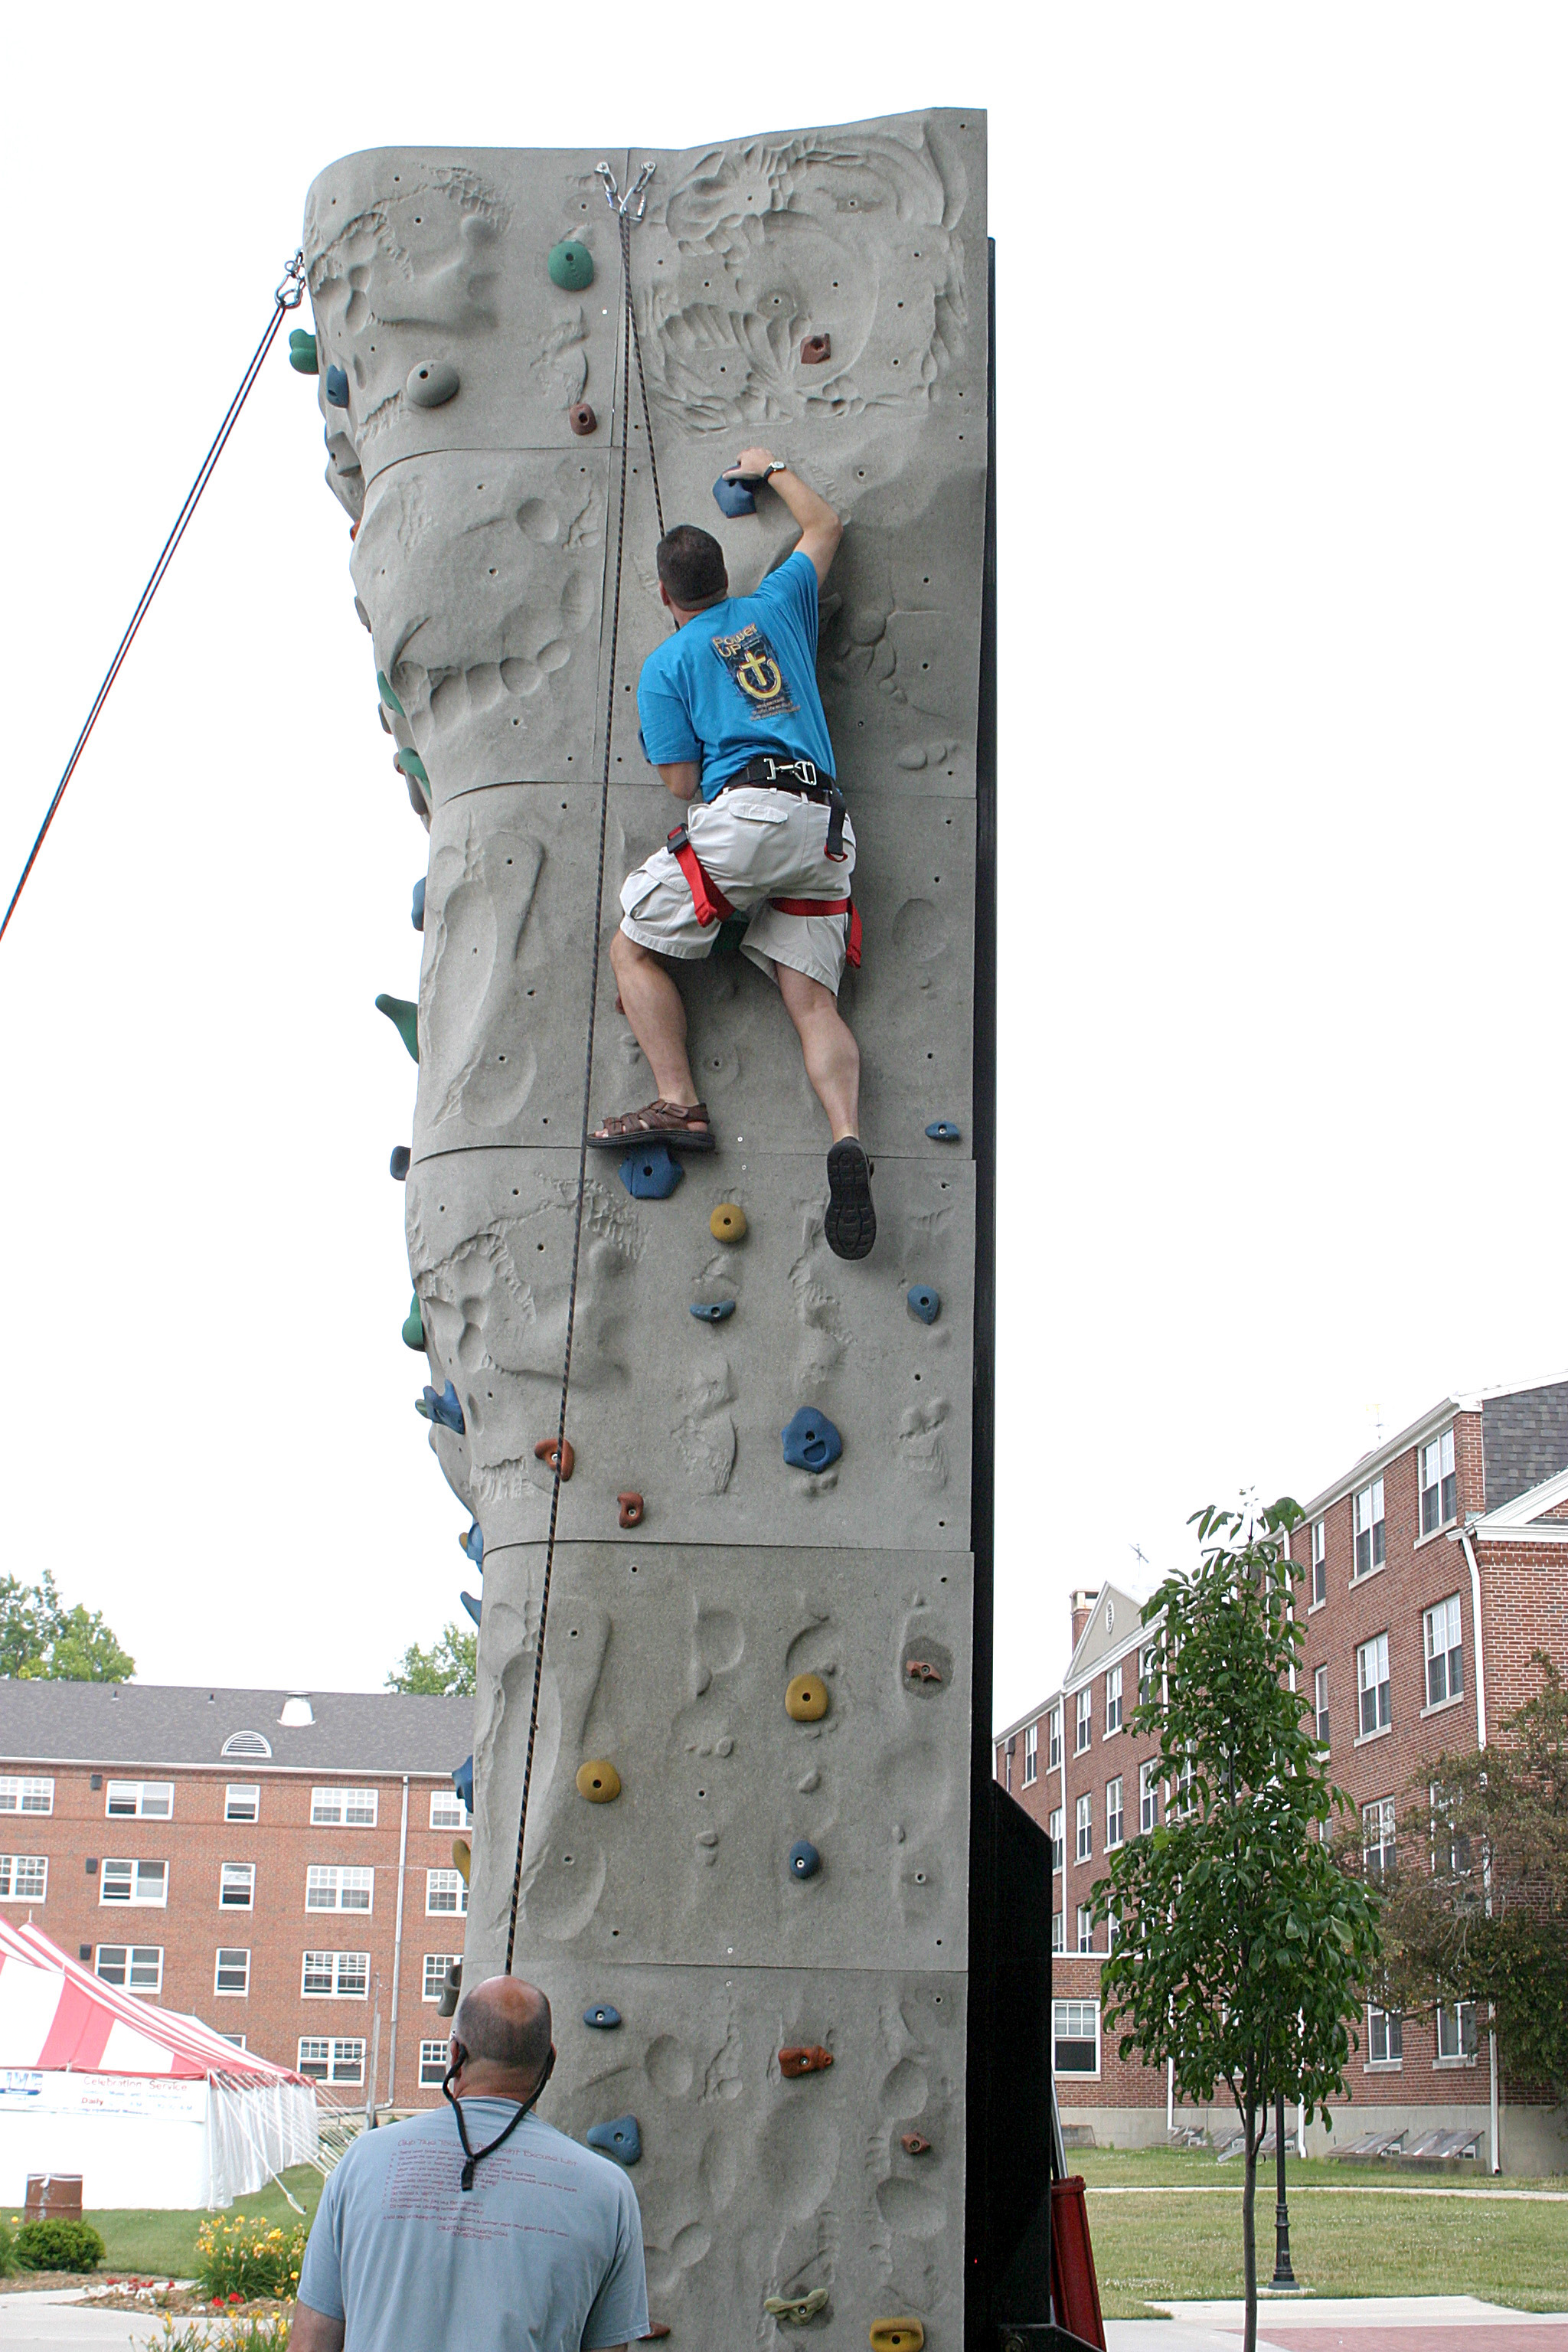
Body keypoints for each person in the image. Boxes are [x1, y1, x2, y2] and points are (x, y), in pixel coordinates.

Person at [587, 449, 876, 1262]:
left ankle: (677, 1101)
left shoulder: (665, 665)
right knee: (813, 1004)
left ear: (664, 596)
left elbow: (683, 781)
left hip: (746, 816)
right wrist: (768, 465)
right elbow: (823, 524)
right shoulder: (779, 600)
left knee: (631, 943)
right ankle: (845, 1136)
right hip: (821, 824)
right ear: (723, 577)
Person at [287, 1974, 648, 2352]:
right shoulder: (607, 2192)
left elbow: (310, 2344)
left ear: (456, 2055)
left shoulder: (362, 2162)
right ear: (550, 2062)